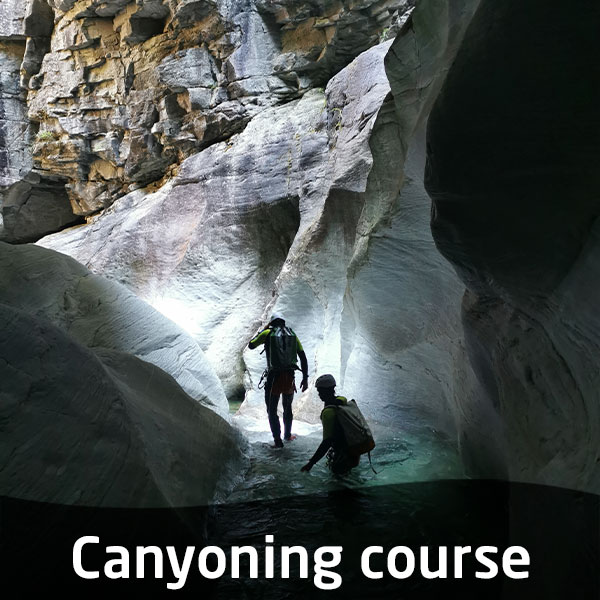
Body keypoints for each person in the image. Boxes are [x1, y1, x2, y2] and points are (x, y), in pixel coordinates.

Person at [248, 312, 308, 448]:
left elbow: (251, 345)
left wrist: (264, 329)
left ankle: (277, 441)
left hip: (274, 378)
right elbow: (303, 356)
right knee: (287, 407)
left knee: (272, 409)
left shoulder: (267, 333)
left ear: (272, 323)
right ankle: (287, 435)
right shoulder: (292, 334)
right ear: (283, 322)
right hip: (289, 378)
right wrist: (305, 378)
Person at [301, 374, 360, 475]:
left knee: (339, 480)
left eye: (320, 391)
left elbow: (327, 442)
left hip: (342, 454)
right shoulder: (340, 402)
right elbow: (343, 398)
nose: (319, 394)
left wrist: (311, 463)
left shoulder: (328, 412)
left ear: (325, 391)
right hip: (354, 450)